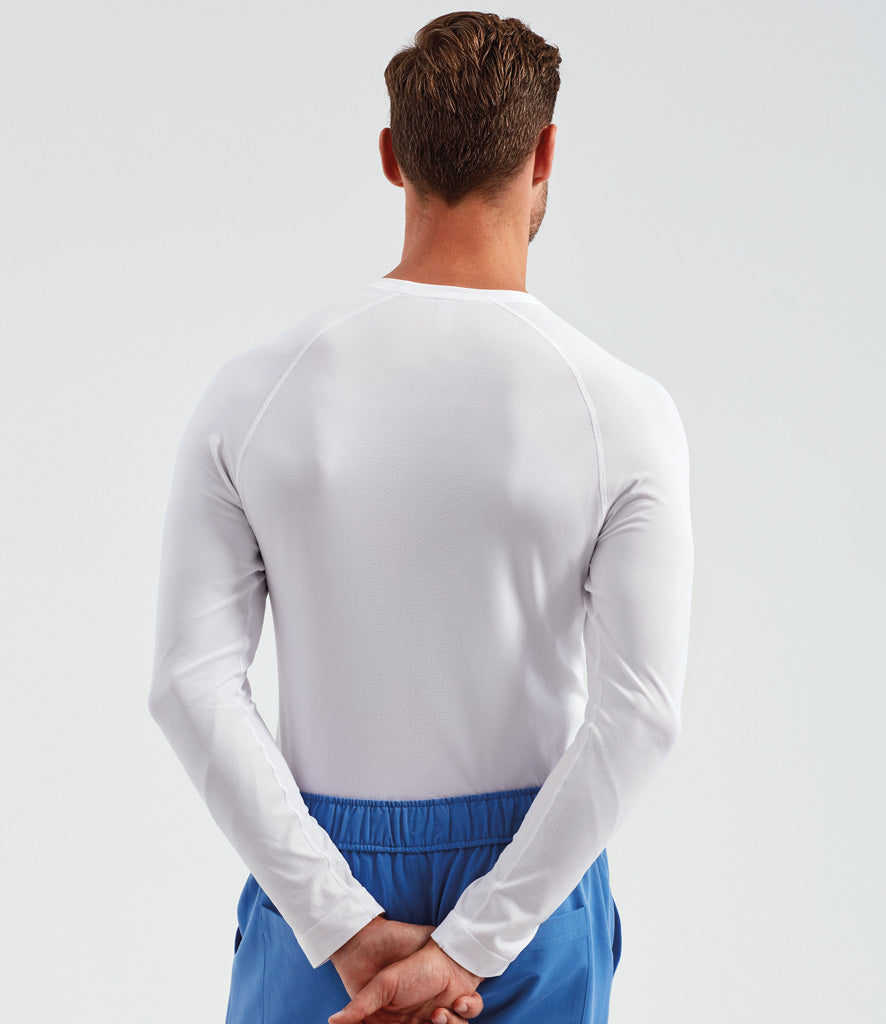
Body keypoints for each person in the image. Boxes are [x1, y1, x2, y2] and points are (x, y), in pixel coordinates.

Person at [148, 10, 694, 1024]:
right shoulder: (620, 410)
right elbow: (640, 712)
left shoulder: (256, 393)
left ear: (392, 156)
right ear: (544, 153)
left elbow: (190, 683)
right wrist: (474, 944)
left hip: (312, 880)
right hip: (535, 882)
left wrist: (343, 924)